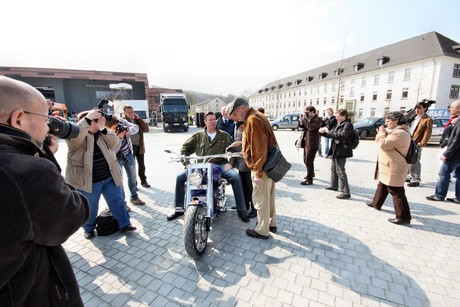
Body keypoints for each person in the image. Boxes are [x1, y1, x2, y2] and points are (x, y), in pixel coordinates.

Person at [0, 76, 89, 305]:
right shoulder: (27, 172)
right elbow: (73, 214)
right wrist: (44, 158)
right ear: (18, 119)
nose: (50, 126)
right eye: (45, 118)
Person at [65, 110, 137, 239]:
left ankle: (125, 224)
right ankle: (89, 229)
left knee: (117, 201)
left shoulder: (101, 132)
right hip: (87, 181)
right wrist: (86, 120)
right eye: (96, 121)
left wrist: (103, 129)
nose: (100, 122)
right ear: (87, 122)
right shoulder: (76, 135)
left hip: (109, 177)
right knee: (90, 206)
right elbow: (74, 140)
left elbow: (114, 142)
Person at [166, 112, 249, 222]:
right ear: (205, 121)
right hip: (202, 166)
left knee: (235, 177)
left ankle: (241, 210)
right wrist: (187, 164)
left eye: (214, 119)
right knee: (180, 177)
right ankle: (178, 209)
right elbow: (185, 149)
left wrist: (231, 163)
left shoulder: (224, 135)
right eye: (211, 119)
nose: (214, 121)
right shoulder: (198, 136)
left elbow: (232, 150)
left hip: (220, 165)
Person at [229, 97, 277, 239]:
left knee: (261, 199)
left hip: (262, 167)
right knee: (269, 197)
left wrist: (257, 172)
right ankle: (271, 223)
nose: (236, 118)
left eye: (236, 114)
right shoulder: (258, 115)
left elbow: (259, 149)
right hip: (270, 165)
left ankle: (262, 230)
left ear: (241, 109)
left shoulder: (252, 120)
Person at [365, 112, 412, 225]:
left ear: (396, 121)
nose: (385, 124)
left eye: (388, 121)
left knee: (396, 191)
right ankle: (376, 203)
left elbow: (382, 143)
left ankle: (403, 217)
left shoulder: (400, 133)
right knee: (383, 185)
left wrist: (381, 134)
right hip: (389, 165)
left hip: (394, 166)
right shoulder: (396, 131)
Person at [107, 115, 146, 206]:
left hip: (128, 155)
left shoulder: (120, 121)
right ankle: (123, 203)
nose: (118, 127)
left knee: (132, 177)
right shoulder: (105, 132)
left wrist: (128, 131)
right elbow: (113, 151)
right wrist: (119, 138)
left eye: (118, 125)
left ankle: (134, 197)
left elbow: (136, 127)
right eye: (115, 127)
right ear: (107, 127)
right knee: (119, 181)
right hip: (115, 158)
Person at [426, 100, 460, 203]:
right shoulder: (456, 121)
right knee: (459, 176)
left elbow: (457, 140)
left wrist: (447, 154)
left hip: (455, 155)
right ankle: (459, 197)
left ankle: (439, 195)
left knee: (443, 174)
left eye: (452, 107)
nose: (450, 109)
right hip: (457, 154)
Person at [228, 108, 257, 218]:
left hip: (247, 162)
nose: (230, 117)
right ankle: (244, 205)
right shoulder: (236, 124)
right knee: (243, 186)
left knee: (250, 188)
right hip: (240, 162)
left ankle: (254, 209)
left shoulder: (245, 124)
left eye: (231, 115)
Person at [319, 109, 354, 199]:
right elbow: (332, 133)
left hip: (342, 150)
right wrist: (323, 132)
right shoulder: (340, 123)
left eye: (338, 116)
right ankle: (333, 185)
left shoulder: (348, 125)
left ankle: (346, 192)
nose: (336, 118)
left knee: (340, 171)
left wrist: (328, 132)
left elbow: (342, 135)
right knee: (333, 169)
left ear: (344, 116)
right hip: (336, 149)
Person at [406, 100, 433, 187]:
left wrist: (421, 143)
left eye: (419, 108)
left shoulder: (427, 120)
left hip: (416, 142)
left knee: (415, 160)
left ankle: (416, 179)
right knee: (408, 159)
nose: (417, 110)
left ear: (425, 109)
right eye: (416, 108)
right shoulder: (413, 117)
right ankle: (409, 175)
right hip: (408, 140)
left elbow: (427, 133)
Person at [123, 105, 151, 188]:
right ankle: (133, 184)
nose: (131, 114)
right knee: (131, 166)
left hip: (139, 146)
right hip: (129, 148)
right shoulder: (123, 121)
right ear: (125, 113)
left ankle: (143, 181)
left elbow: (146, 129)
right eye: (129, 112)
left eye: (132, 111)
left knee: (141, 165)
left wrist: (139, 119)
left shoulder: (136, 120)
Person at [298, 106, 322, 185]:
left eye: (307, 112)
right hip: (307, 143)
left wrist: (305, 119)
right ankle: (311, 173)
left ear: (312, 112)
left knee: (309, 161)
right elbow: (301, 126)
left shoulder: (318, 119)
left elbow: (310, 127)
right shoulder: (309, 119)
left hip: (312, 143)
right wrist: (301, 119)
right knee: (306, 160)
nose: (306, 114)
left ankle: (309, 180)